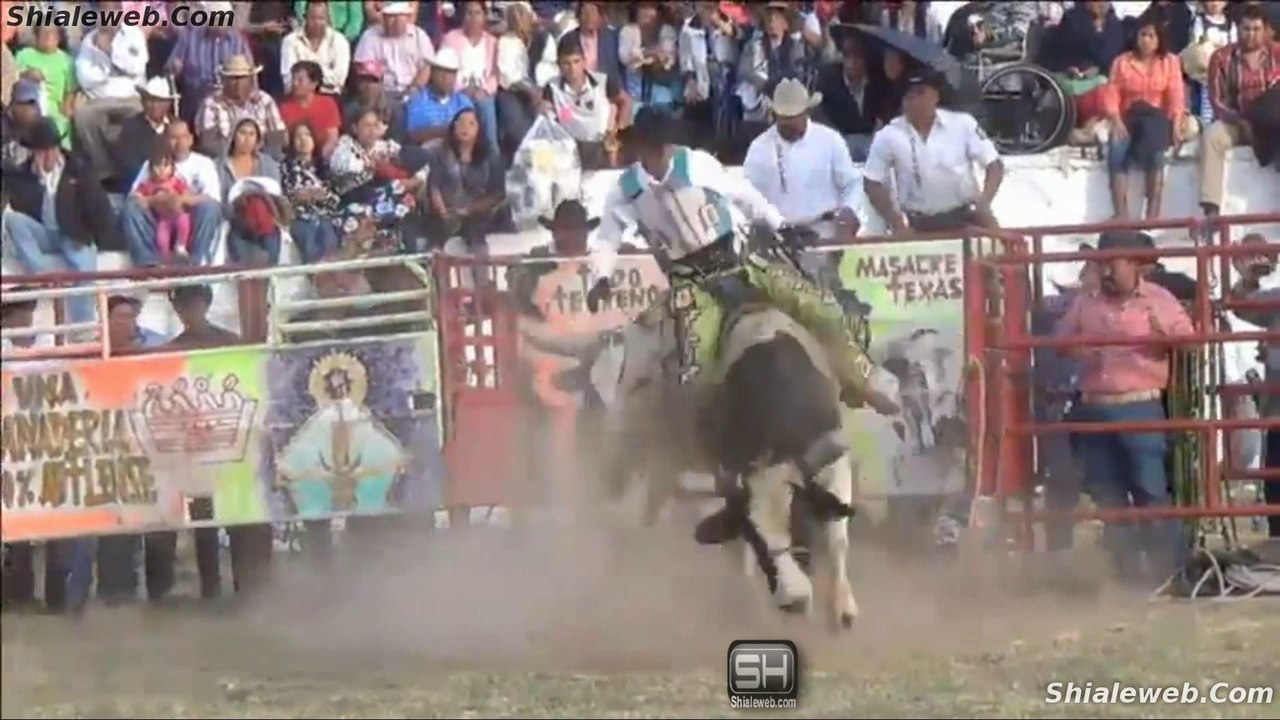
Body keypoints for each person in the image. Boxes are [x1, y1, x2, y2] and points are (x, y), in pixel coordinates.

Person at [585, 107, 900, 417]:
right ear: (642, 147)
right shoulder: (626, 190)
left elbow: (744, 194)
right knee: (695, 367)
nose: (663, 150)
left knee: (820, 307)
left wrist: (779, 225)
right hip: (692, 282)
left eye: (664, 143)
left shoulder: (696, 164)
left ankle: (864, 378)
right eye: (655, 144)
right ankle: (705, 443)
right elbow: (607, 236)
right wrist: (600, 275)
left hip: (740, 258)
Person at [1054, 230, 1194, 583]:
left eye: (1112, 264)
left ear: (1134, 266)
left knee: (1149, 490)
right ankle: (1129, 575)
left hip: (1139, 405)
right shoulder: (1085, 302)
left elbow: (1188, 339)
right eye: (1102, 264)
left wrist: (1164, 336)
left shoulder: (1158, 299)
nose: (1105, 272)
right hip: (1095, 406)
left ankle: (1168, 572)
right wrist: (1082, 349)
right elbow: (1059, 342)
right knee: (1108, 496)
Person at [2, 118, 118, 331]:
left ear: (57, 147)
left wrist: (94, 236)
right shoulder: (24, 174)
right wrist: (38, 183)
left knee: (84, 270)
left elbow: (97, 206)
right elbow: (21, 208)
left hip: (74, 233)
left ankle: (82, 329)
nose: (45, 156)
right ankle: (41, 273)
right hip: (44, 233)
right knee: (12, 219)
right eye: (40, 151)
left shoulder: (79, 168)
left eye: (49, 149)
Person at [863, 69, 1005, 234]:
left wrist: (984, 203)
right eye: (909, 96)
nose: (915, 101)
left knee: (1004, 251)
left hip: (966, 218)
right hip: (918, 225)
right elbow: (872, 183)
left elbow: (994, 165)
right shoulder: (888, 135)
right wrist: (896, 224)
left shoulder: (962, 124)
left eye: (920, 93)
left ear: (936, 96)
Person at [1102, 16, 1189, 220]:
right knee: (1116, 149)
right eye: (1143, 35)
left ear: (1159, 39)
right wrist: (1115, 119)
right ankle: (1121, 214)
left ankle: (1152, 214)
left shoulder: (1169, 61)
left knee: (1157, 153)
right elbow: (1112, 93)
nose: (1146, 40)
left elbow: (1176, 94)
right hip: (1128, 117)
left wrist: (1176, 121)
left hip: (1157, 118)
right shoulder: (1122, 62)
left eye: (1151, 36)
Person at [1199, 5, 1280, 218]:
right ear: (1237, 29)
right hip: (1238, 122)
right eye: (1246, 29)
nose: (1251, 35)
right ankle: (1211, 209)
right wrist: (1240, 120)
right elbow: (1216, 101)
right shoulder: (1222, 58)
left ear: (1265, 31)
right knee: (1212, 136)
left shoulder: (1277, 54)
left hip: (1272, 123)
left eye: (1256, 29)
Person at [123, 120, 223, 267]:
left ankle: (195, 263)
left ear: (190, 139)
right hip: (158, 220)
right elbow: (134, 196)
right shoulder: (152, 163)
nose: (179, 142)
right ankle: (149, 263)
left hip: (188, 218)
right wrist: (156, 200)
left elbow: (212, 197)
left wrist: (180, 200)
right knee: (131, 207)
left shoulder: (204, 163)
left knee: (210, 208)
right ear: (165, 140)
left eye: (183, 137)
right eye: (173, 138)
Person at [132, 145, 194, 262]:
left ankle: (180, 246)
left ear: (172, 168)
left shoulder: (175, 181)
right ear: (150, 168)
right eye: (157, 166)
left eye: (166, 166)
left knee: (184, 221)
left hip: (177, 213)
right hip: (163, 219)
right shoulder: (147, 184)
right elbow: (137, 194)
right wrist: (144, 199)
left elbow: (186, 193)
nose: (161, 170)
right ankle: (164, 257)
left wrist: (178, 198)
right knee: (161, 237)